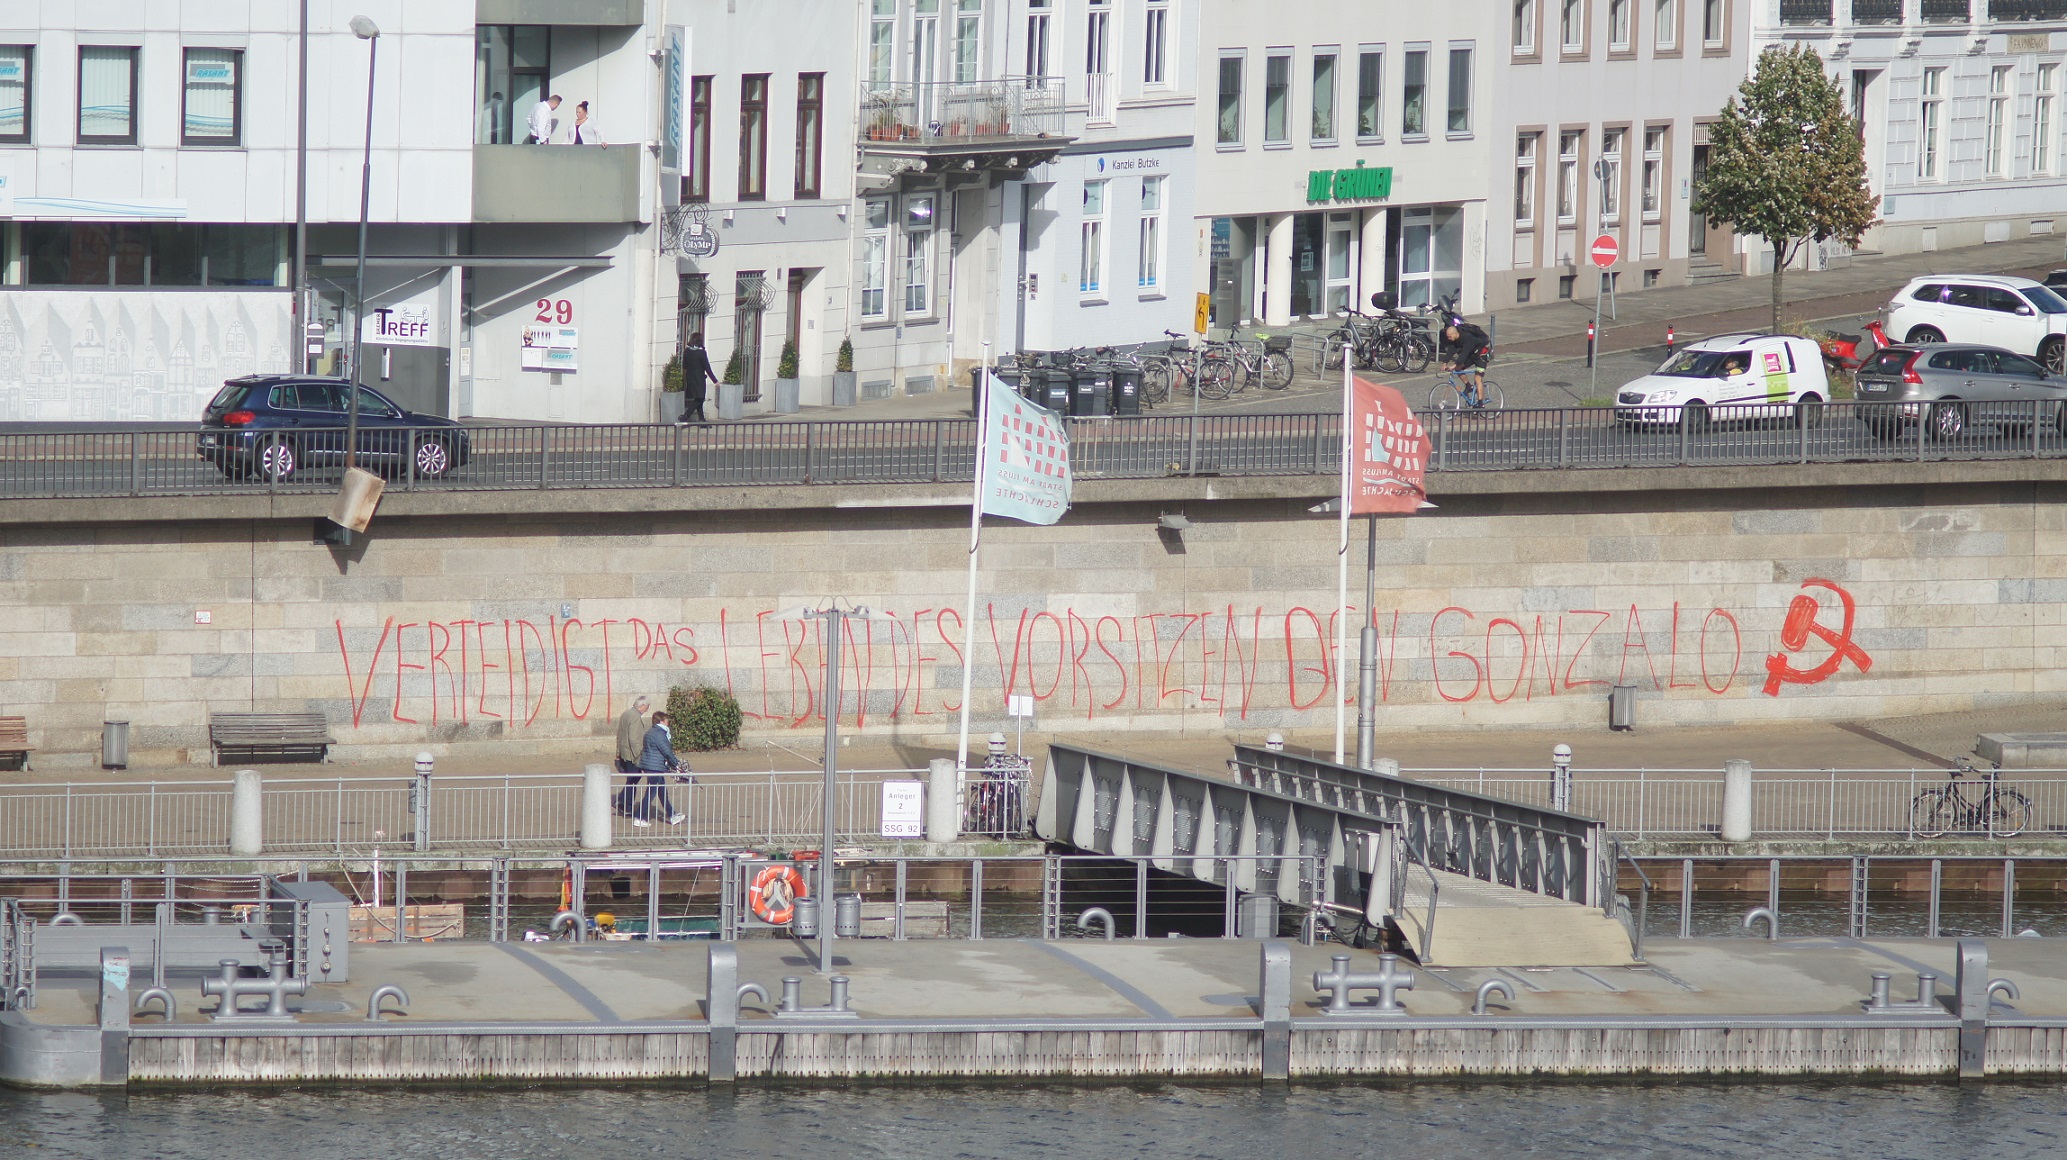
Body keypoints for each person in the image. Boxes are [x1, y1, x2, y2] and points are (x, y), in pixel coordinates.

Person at [631, 711, 688, 827]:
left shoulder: (650, 733)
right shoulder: (659, 734)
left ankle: (672, 815)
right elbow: (666, 751)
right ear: (662, 721)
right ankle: (639, 817)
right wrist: (677, 764)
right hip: (655, 767)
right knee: (651, 793)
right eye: (667, 721)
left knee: (662, 792)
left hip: (651, 766)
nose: (668, 723)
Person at [1439, 316, 1493, 405]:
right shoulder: (1455, 339)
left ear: (1455, 334)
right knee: (1458, 369)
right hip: (1472, 355)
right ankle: (1468, 386)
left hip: (1481, 356)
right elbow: (1451, 350)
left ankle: (1480, 403)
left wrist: (1454, 364)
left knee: (1477, 378)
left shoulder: (1467, 337)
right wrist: (1445, 363)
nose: (1448, 339)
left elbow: (1464, 354)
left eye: (1449, 337)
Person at [614, 695, 651, 815]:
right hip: (632, 754)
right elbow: (634, 739)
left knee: (633, 778)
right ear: (642, 706)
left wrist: (618, 753)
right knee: (633, 779)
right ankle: (627, 806)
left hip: (625, 752)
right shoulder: (635, 717)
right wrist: (638, 755)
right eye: (647, 706)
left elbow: (620, 735)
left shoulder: (626, 714)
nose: (647, 709)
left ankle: (621, 800)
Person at [677, 331, 720, 424]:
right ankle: (685, 416)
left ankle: (702, 420)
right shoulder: (701, 352)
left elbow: (684, 365)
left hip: (690, 378)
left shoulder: (687, 351)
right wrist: (715, 381)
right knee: (700, 399)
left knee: (698, 398)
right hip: (699, 378)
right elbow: (707, 367)